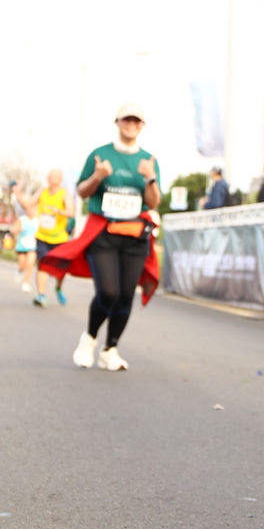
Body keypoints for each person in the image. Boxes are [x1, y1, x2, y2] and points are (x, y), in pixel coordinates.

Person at [40, 104, 161, 371]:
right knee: (108, 292)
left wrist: (150, 178)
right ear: (117, 122)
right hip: (103, 234)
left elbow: (153, 202)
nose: (131, 125)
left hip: (135, 237)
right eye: (126, 120)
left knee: (125, 295)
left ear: (142, 126)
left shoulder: (148, 160)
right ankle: (90, 337)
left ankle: (110, 350)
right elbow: (82, 192)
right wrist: (98, 175)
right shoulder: (100, 155)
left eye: (136, 121)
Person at [32, 168, 75, 307]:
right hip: (42, 236)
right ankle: (41, 295)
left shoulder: (64, 194)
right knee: (42, 265)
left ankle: (58, 288)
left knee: (60, 269)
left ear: (60, 179)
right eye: (50, 176)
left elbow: (71, 212)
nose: (52, 179)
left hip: (59, 238)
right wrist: (18, 192)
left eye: (55, 176)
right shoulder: (42, 191)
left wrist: (59, 211)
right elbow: (29, 203)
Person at [12, 186, 38, 293]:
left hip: (33, 245)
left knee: (30, 263)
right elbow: (13, 230)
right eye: (28, 209)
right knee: (22, 263)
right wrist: (18, 229)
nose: (30, 211)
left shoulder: (38, 220)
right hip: (22, 244)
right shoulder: (22, 219)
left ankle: (26, 283)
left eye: (32, 209)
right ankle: (19, 271)